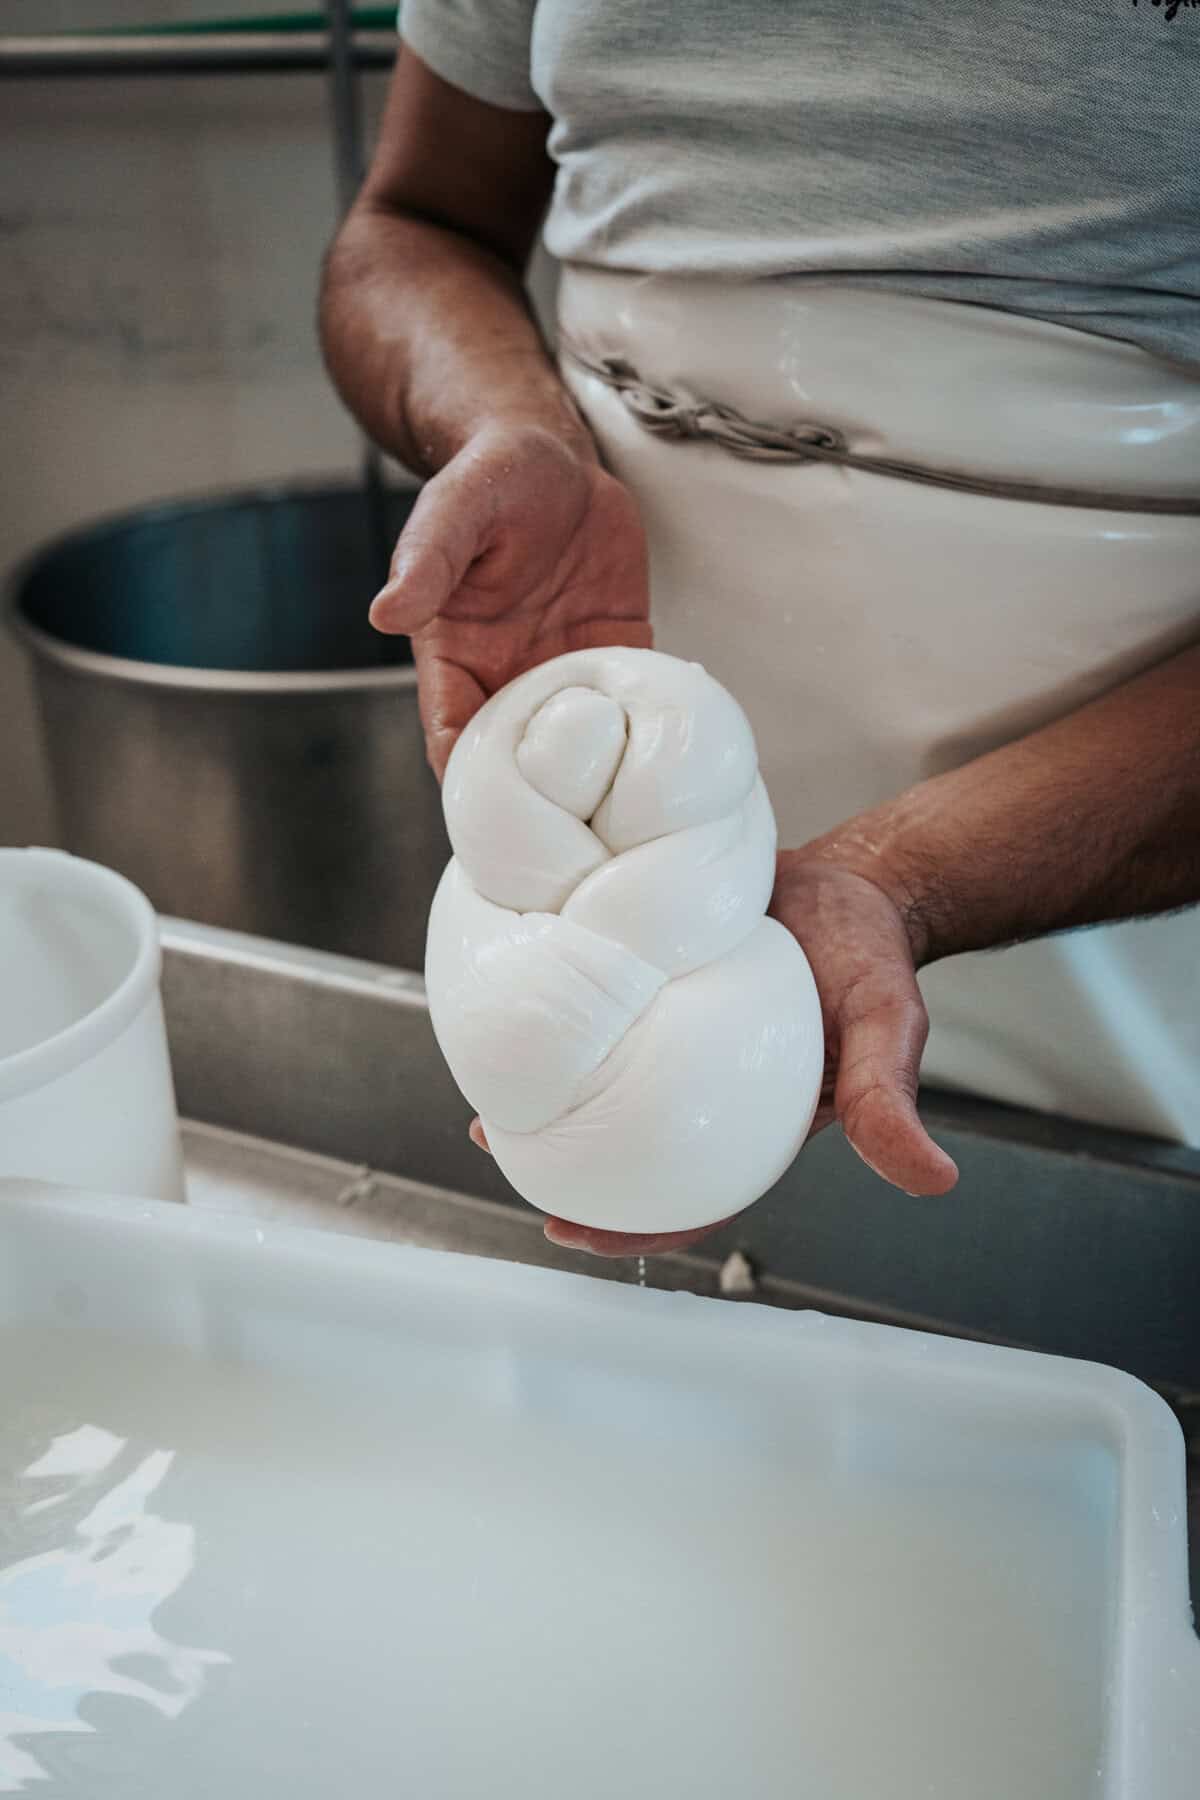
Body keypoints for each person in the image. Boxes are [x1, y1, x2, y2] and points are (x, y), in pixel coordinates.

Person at [320, 3, 1200, 1256]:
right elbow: (415, 228)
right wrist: (501, 424)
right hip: (596, 764)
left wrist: (907, 881)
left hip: (1138, 867)